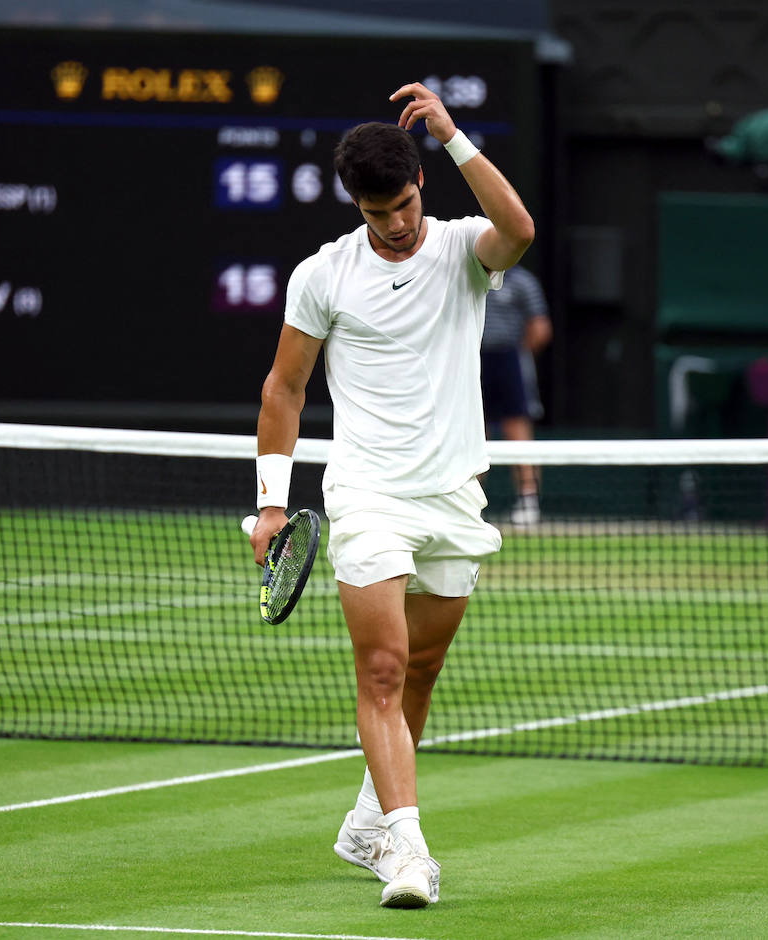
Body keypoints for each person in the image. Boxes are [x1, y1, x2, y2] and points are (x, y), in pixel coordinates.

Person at [250, 82, 534, 909]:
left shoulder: (460, 249)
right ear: (357, 205)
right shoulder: (323, 274)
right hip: (367, 492)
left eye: (406, 205)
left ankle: (367, 818)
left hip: (452, 495)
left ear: (422, 185)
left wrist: (453, 135)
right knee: (380, 670)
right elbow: (283, 388)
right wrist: (274, 501)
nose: (398, 224)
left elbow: (518, 230)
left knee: (422, 669)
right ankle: (407, 852)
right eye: (380, 214)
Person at [480, 265, 551, 525]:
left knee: (517, 429)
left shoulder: (523, 281)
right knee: (474, 433)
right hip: (473, 360)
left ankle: (528, 501)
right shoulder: (468, 275)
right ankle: (471, 504)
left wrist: (519, 355)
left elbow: (540, 328)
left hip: (510, 360)